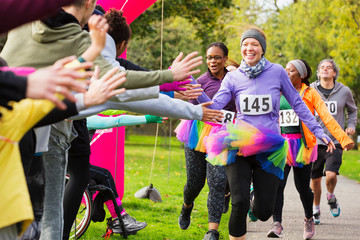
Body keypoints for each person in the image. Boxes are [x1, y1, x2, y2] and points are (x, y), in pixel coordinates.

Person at [202, 27, 335, 240]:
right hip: (240, 145)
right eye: (245, 44)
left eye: (254, 44)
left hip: (269, 148)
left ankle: (257, 200)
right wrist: (194, 95)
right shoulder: (233, 77)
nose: (249, 48)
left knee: (263, 212)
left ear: (262, 49)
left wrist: (319, 131)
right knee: (239, 202)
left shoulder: (277, 72)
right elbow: (215, 105)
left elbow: (298, 104)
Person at [0, 55, 125, 240]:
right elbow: (56, 103)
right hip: (10, 212)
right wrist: (87, 56)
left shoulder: (16, 113)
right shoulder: (14, 116)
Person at [267, 59, 353, 239]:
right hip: (281, 145)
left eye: (290, 70)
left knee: (302, 187)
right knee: (277, 186)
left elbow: (327, 118)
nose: (286, 72)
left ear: (301, 75)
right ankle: (277, 224)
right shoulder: (277, 90)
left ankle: (308, 219)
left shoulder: (310, 93)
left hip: (302, 147)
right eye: (285, 69)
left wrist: (343, 140)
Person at [174, 42, 235, 240]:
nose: (213, 61)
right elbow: (191, 110)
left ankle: (212, 231)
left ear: (225, 58)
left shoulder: (235, 80)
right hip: (198, 133)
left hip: (224, 135)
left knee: (217, 181)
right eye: (209, 57)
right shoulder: (200, 81)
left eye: (217, 57)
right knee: (195, 182)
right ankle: (186, 205)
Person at [310, 59, 358, 224]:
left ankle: (330, 196)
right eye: (321, 67)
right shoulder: (311, 89)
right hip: (315, 141)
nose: (325, 70)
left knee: (330, 175)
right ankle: (315, 208)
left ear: (334, 73)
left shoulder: (344, 91)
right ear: (318, 72)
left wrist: (351, 126)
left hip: (335, 140)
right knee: (315, 179)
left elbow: (352, 111)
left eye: (328, 68)